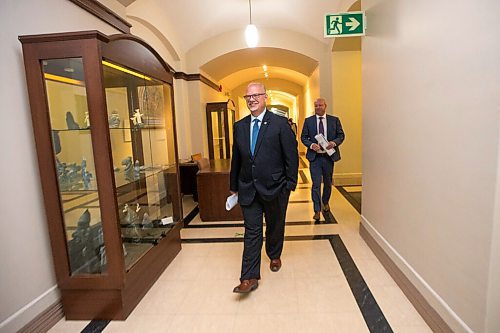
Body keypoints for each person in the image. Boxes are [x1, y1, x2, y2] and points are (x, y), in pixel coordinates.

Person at [230, 82, 298, 294]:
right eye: (248, 96)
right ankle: (249, 277)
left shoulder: (279, 124)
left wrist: (289, 184)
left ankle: (274, 253)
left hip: (276, 188)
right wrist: (234, 187)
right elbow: (237, 159)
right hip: (249, 188)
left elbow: (291, 156)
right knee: (252, 232)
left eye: (256, 95)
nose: (251, 99)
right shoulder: (239, 126)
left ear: (265, 97)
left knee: (275, 224)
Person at [300, 98, 344, 221]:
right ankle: (317, 210)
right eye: (316, 106)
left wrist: (334, 143)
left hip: (328, 157)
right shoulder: (308, 121)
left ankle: (325, 202)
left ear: (325, 106)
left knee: (328, 183)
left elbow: (341, 135)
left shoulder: (334, 120)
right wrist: (311, 145)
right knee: (315, 184)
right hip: (315, 158)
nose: (318, 107)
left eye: (320, 105)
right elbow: (303, 137)